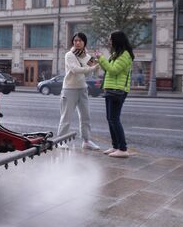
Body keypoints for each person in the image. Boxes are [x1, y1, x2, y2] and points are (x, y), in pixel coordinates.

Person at [56, 32, 100, 150]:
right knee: (66, 116)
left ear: (84, 42)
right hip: (69, 89)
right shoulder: (69, 55)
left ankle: (86, 141)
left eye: (80, 40)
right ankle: (60, 140)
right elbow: (75, 70)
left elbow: (91, 73)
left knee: (86, 116)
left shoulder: (87, 56)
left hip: (82, 88)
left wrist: (97, 63)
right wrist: (91, 67)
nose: (77, 42)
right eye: (75, 40)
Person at [94, 30, 134, 158]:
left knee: (115, 119)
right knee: (110, 119)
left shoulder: (125, 55)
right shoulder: (117, 54)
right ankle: (115, 146)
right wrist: (101, 60)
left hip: (118, 90)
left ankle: (123, 149)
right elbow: (108, 69)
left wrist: (101, 58)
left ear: (117, 40)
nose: (109, 42)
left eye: (111, 39)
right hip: (111, 89)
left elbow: (113, 70)